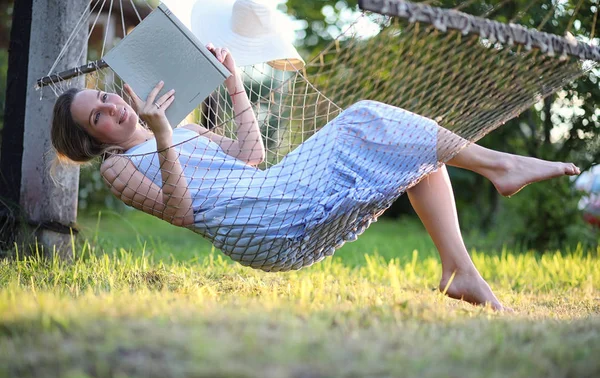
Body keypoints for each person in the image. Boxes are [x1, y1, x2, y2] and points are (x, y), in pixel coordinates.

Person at [51, 45, 580, 311]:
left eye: (104, 96)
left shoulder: (172, 129)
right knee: (368, 117)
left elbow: (250, 155)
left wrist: (234, 83)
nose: (111, 106)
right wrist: (164, 132)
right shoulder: (120, 166)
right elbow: (183, 211)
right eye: (96, 116)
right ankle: (501, 167)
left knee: (416, 151)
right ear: (93, 140)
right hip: (262, 226)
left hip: (274, 194)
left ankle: (459, 272)